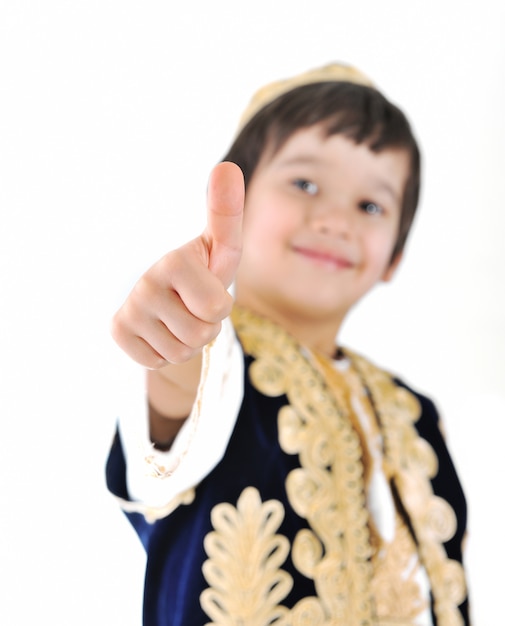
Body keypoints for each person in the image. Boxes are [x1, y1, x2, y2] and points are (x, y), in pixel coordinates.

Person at [106, 63, 470, 625]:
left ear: (394, 255)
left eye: (370, 206)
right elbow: (180, 394)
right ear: (239, 205)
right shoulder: (216, 363)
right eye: (305, 183)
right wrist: (173, 336)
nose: (333, 220)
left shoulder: (414, 414)